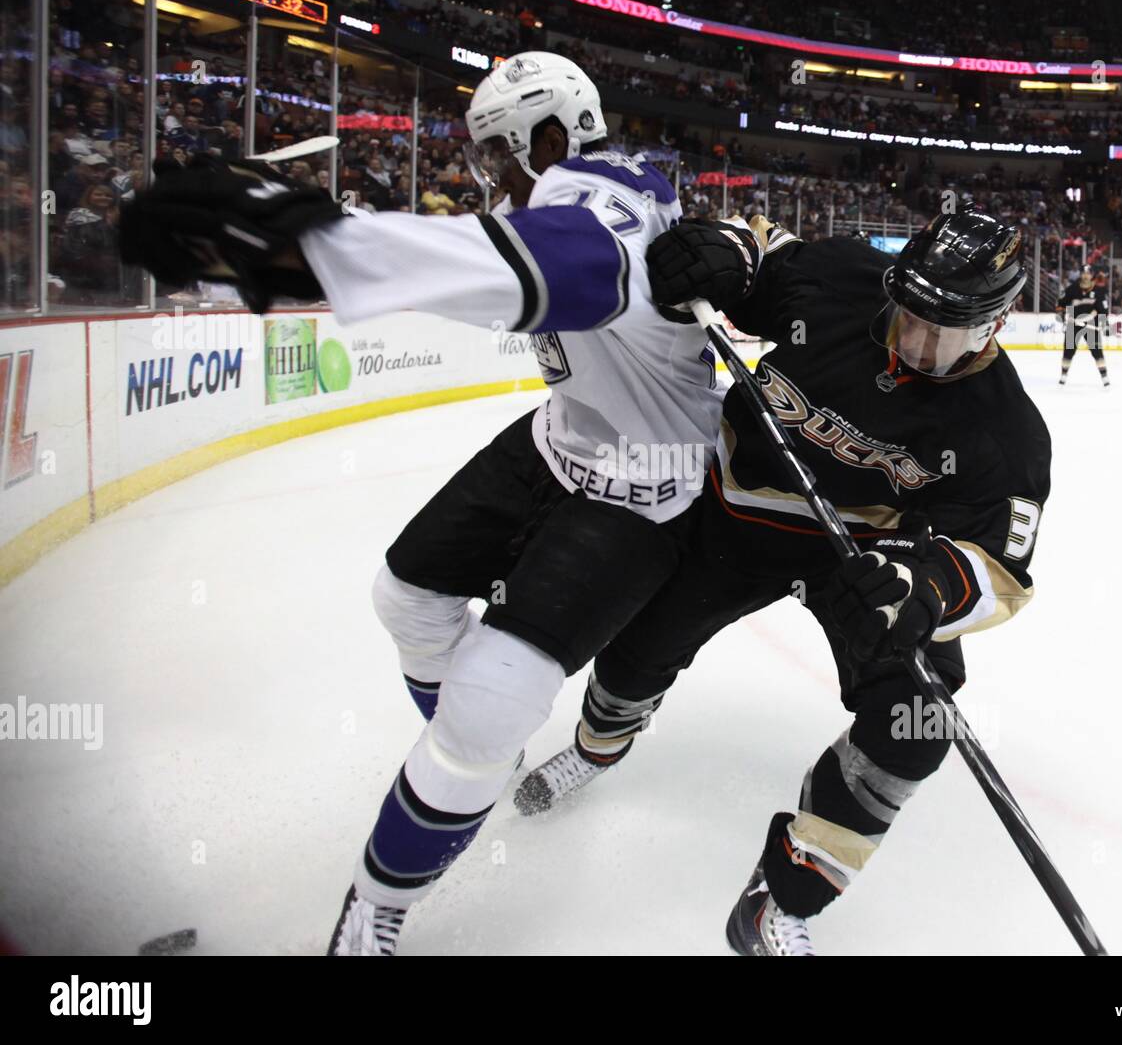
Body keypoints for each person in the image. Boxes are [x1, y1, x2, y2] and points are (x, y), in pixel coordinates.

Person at [118, 52, 729, 955]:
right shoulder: (591, 185)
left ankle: (377, 904)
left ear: (548, 138)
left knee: (484, 707)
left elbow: (574, 269)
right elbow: (499, 270)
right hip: (560, 441)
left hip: (639, 494)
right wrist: (311, 252)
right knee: (405, 596)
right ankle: (473, 760)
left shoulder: (604, 208)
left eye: (496, 155)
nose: (489, 176)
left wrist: (325, 241)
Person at [515, 209, 1052, 955]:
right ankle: (600, 743)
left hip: (862, 562)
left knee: (915, 721)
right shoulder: (843, 279)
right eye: (908, 316)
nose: (915, 343)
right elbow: (756, 251)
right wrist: (722, 254)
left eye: (944, 332)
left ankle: (784, 893)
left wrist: (920, 590)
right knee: (639, 651)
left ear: (995, 323)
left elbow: (999, 566)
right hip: (735, 514)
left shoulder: (1005, 431)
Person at [1056, 266, 1110, 387]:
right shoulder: (1071, 289)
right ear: (1080, 275)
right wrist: (1061, 314)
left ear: (1092, 275)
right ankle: (1063, 375)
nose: (1086, 276)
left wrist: (1105, 324)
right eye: (1084, 273)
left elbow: (1103, 310)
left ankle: (1104, 376)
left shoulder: (1099, 291)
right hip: (1073, 324)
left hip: (1091, 324)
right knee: (1068, 351)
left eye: (1088, 273)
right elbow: (1061, 304)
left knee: (1097, 351)